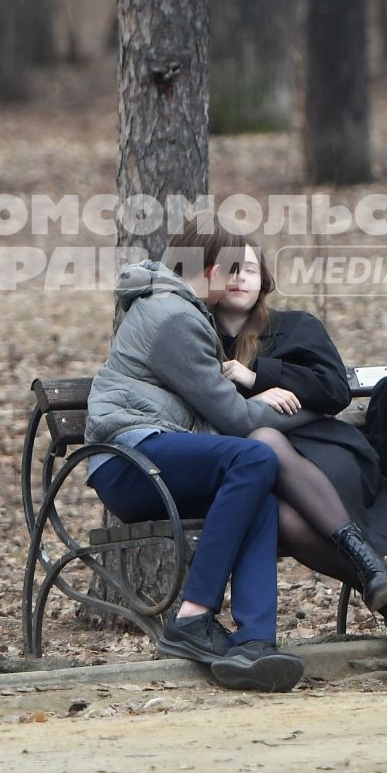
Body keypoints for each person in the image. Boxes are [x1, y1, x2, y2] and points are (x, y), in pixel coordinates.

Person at [85, 227, 319, 691]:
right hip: (129, 460)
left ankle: (255, 644)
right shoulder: (174, 318)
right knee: (253, 460)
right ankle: (193, 616)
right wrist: (306, 412)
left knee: (260, 494)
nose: (237, 283)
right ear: (211, 270)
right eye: (233, 271)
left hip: (156, 455)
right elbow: (232, 418)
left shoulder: (178, 309)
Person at [208, 238, 387, 660]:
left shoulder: (295, 326)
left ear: (265, 282)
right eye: (230, 269)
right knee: (280, 514)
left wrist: (255, 375)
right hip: (257, 474)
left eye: (251, 270)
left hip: (326, 457)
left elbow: (334, 390)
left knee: (266, 442)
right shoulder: (198, 338)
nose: (240, 278)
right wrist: (255, 400)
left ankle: (384, 588)